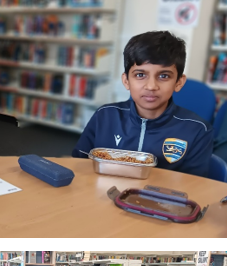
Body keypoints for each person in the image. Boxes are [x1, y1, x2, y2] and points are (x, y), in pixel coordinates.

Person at [72, 31, 212, 177]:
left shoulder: (198, 130)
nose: (151, 86)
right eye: (140, 75)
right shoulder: (105, 115)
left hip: (162, 199)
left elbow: (195, 186)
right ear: (126, 81)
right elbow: (79, 166)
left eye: (164, 76)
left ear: (179, 82)